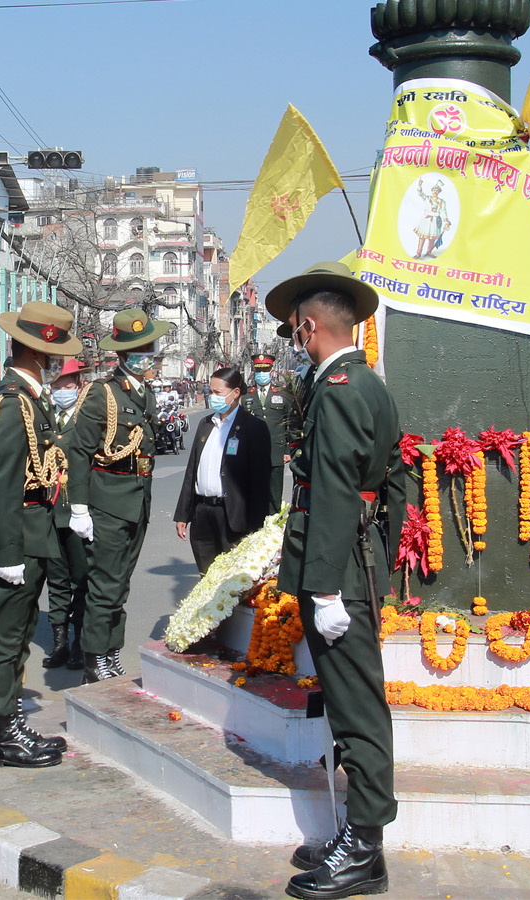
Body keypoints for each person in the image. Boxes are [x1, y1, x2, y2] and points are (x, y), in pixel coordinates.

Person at [267, 262, 403, 900]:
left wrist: (325, 588)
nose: (295, 340)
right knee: (352, 702)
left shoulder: (342, 387)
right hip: (352, 563)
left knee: (355, 708)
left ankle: (366, 847)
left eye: (296, 330)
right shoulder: (363, 383)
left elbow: (337, 492)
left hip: (339, 573)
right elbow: (391, 485)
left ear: (310, 327)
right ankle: (358, 832)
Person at [0, 301, 82, 767]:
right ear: (41, 355)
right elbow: (1, 482)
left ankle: (11, 722)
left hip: (32, 533)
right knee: (4, 638)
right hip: (12, 538)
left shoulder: (29, 397)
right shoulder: (12, 400)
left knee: (15, 638)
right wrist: (11, 554)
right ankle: (3, 737)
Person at [67, 309, 165, 682]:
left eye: (150, 347)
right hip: (107, 500)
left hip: (137, 501)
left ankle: (110, 650)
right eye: (140, 349)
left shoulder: (145, 392)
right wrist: (79, 506)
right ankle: (93, 659)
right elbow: (79, 451)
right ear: (122, 354)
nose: (147, 354)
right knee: (104, 584)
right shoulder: (102, 393)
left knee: (120, 583)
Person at [175, 367, 273, 574]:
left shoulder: (253, 427)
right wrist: (183, 514)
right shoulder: (205, 424)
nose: (213, 397)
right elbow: (192, 470)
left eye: (218, 393)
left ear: (235, 393)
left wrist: (256, 527)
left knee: (232, 582)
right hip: (203, 514)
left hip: (232, 516)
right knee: (206, 576)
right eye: (211, 392)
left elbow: (260, 482)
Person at [41, 358, 90, 670]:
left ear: (78, 387)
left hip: (77, 509)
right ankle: (60, 642)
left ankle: (80, 642)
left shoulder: (86, 419)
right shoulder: (44, 417)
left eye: (67, 386)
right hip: (49, 508)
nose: (61, 391)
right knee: (56, 579)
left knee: (80, 578)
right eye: (57, 386)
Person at [241, 353, 294, 514]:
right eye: (258, 370)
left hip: (276, 451)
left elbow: (290, 422)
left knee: (274, 494)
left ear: (271, 372)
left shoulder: (282, 393)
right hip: (253, 452)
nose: (261, 374)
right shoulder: (247, 395)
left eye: (265, 370)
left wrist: (287, 450)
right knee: (254, 492)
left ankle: (274, 527)